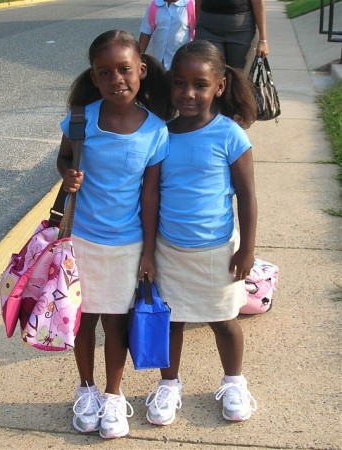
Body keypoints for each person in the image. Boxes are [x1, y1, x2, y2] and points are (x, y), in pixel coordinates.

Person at [57, 30, 170, 439]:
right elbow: (65, 156)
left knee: (116, 325)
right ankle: (85, 389)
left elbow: (151, 193)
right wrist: (67, 176)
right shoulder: (80, 118)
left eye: (124, 69)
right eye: (104, 73)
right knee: (82, 321)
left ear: (141, 70)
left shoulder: (156, 130)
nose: (116, 79)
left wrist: (149, 251)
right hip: (81, 239)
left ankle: (112, 395)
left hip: (127, 245)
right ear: (94, 76)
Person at [145, 40, 258, 427]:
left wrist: (247, 250)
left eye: (200, 84)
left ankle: (234, 382)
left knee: (223, 320)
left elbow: (247, 196)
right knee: (171, 321)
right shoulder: (160, 134)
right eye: (179, 83)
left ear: (220, 86)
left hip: (217, 251)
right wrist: (148, 253)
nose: (188, 93)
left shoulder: (230, 135)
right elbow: (152, 196)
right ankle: (169, 384)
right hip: (169, 249)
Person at [194, 0, 269, 70]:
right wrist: (197, 28)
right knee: (210, 73)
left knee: (239, 78)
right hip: (207, 29)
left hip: (242, 31)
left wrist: (263, 40)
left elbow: (258, 2)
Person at [139, 0, 196, 70]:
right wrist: (138, 59)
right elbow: (145, 34)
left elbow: (197, 34)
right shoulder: (154, 6)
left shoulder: (190, 6)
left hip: (181, 63)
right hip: (158, 64)